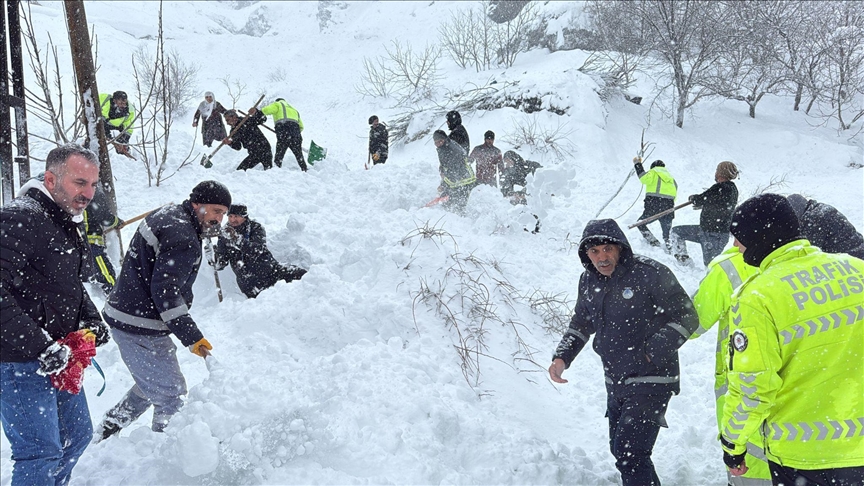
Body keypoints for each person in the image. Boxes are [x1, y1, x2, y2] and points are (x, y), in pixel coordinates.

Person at [721, 193, 864, 486]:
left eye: (739, 237)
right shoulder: (856, 269)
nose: (735, 245)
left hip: (806, 455)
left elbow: (752, 388)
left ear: (760, 237)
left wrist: (732, 445)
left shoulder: (758, 298)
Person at [549, 218, 699, 486]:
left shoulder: (650, 273)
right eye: (594, 252)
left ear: (620, 247)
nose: (601, 257)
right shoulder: (588, 281)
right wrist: (562, 357)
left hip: (652, 377)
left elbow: (687, 316)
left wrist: (652, 350)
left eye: (607, 249)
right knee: (621, 451)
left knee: (631, 454)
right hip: (615, 379)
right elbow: (581, 323)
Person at [1, 144, 110, 485]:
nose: (88, 194)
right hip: (19, 362)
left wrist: (91, 320)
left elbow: (68, 285)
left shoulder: (64, 221)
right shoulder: (21, 217)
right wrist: (40, 345)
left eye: (93, 185)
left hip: (59, 356)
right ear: (51, 179)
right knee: (41, 452)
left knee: (76, 437)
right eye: (80, 183)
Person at [96, 181, 232, 441]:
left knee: (153, 383)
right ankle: (166, 457)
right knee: (171, 394)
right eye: (215, 211)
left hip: (129, 312)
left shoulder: (169, 215)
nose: (219, 219)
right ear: (197, 204)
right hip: (140, 323)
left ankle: (109, 427)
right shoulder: (184, 237)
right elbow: (166, 293)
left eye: (223, 213)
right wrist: (192, 336)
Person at [690, 245, 769, 486]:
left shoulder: (729, 268)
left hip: (742, 381)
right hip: (807, 395)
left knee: (751, 461)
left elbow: (694, 322)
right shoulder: (819, 265)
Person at [215, 204, 307, 298]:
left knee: (304, 276)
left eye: (236, 216)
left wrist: (238, 240)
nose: (232, 220)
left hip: (272, 271)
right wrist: (214, 257)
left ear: (244, 217)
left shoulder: (256, 228)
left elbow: (257, 251)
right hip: (250, 283)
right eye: (230, 216)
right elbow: (221, 263)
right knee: (268, 303)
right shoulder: (224, 235)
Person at [671, 161, 739, 266]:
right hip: (712, 232)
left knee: (711, 267)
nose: (715, 173)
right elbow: (719, 204)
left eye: (717, 170)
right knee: (677, 232)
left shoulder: (719, 188)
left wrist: (693, 198)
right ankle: (684, 261)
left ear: (721, 173)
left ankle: (685, 262)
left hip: (712, 234)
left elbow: (700, 199)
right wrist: (707, 205)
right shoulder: (733, 189)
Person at [786, 194, 864, 259]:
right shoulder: (821, 210)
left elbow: (808, 251)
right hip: (857, 252)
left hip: (850, 259)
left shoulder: (813, 220)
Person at [84, 184, 123, 296]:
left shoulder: (73, 190)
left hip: (77, 241)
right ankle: (113, 294)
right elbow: (105, 217)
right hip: (92, 240)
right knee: (104, 269)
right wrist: (117, 222)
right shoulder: (94, 193)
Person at [633, 158, 678, 251]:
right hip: (669, 207)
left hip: (654, 205)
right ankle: (669, 247)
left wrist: (637, 164)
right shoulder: (672, 179)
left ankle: (653, 243)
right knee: (667, 234)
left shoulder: (653, 171)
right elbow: (675, 195)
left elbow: (643, 178)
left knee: (640, 223)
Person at [433, 130, 476, 213]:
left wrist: (443, 184)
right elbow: (445, 167)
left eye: (440, 141)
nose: (438, 144)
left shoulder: (452, 150)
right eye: (436, 143)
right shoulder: (444, 148)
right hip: (457, 181)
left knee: (457, 204)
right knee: (449, 202)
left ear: (444, 139)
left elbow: (452, 171)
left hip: (464, 181)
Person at [261, 98, 306, 171]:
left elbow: (266, 110)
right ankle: (304, 168)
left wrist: (258, 112)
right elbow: (301, 127)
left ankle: (276, 169)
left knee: (280, 152)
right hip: (296, 132)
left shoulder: (278, 104)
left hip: (284, 129)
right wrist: (294, 133)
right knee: (298, 153)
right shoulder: (294, 110)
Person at [99, 91, 135, 155]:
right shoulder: (104, 99)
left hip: (118, 126)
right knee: (97, 135)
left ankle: (124, 152)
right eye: (120, 103)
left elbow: (129, 127)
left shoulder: (130, 110)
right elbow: (90, 101)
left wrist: (123, 141)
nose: (123, 105)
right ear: (114, 101)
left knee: (122, 144)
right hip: (102, 122)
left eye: (125, 102)